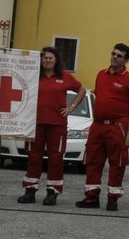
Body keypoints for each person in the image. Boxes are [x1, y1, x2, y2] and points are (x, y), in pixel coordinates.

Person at [18, 45, 83, 206]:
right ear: (41, 60)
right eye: (45, 58)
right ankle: (30, 190)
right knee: (34, 156)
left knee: (56, 158)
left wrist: (71, 107)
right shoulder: (34, 76)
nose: (47, 60)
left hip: (57, 125)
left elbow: (81, 90)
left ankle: (52, 192)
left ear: (56, 60)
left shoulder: (65, 77)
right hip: (35, 123)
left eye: (50, 58)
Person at [77, 42, 129, 212]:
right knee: (93, 160)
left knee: (117, 162)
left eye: (119, 56)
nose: (115, 57)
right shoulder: (101, 74)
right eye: (113, 54)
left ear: (126, 60)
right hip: (98, 125)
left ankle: (112, 198)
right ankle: (91, 196)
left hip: (116, 126)